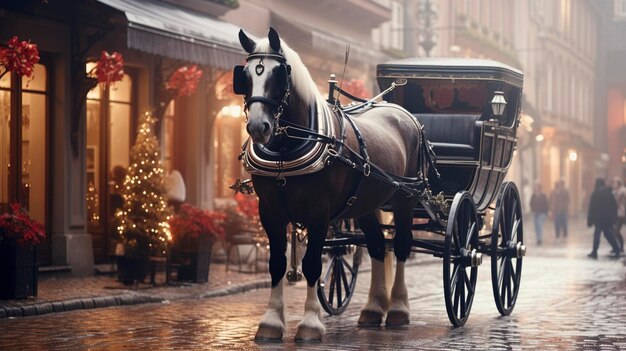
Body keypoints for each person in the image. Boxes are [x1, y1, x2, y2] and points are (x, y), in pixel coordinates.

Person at [587, 178, 621, 259]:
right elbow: (613, 207)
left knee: (597, 235)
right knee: (608, 235)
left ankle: (595, 251)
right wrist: (613, 219)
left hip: (598, 219)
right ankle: (616, 249)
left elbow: (591, 208)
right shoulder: (608, 193)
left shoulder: (595, 193)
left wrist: (590, 220)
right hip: (607, 219)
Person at [613, 177, 626, 252]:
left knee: (616, 230)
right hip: (616, 214)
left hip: (622, 213)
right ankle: (618, 246)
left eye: (615, 183)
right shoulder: (614, 192)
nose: (613, 185)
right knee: (615, 231)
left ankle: (619, 246)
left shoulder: (623, 191)